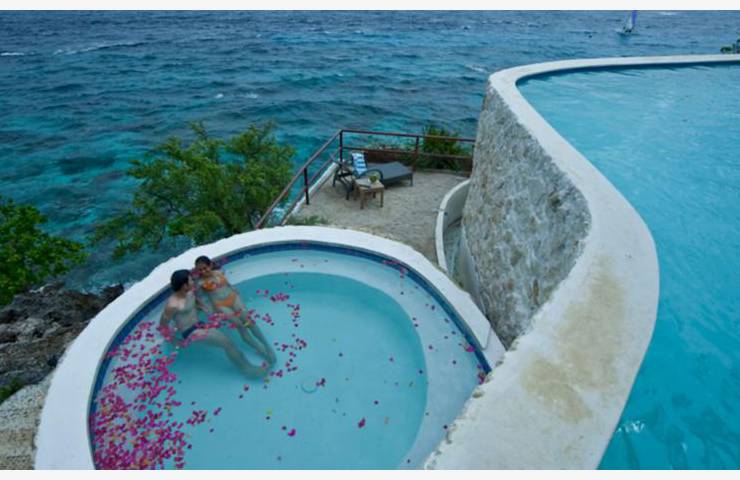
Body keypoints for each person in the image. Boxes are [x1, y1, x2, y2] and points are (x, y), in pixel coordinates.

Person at [159, 269, 268, 378]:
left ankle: (247, 366)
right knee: (227, 344)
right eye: (190, 280)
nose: (193, 281)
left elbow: (195, 302)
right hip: (190, 332)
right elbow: (162, 325)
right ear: (184, 285)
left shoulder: (190, 293)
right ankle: (247, 369)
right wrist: (174, 341)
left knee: (229, 342)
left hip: (199, 325)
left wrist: (204, 308)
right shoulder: (173, 304)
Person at [194, 256, 277, 366]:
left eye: (205, 268)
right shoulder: (199, 283)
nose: (203, 271)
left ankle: (267, 346)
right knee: (241, 327)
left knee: (249, 322)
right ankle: (261, 350)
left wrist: (233, 288)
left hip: (233, 298)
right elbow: (200, 299)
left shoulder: (219, 272)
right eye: (200, 270)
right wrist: (209, 311)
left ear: (210, 265)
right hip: (221, 305)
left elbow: (227, 284)